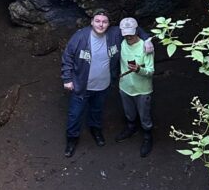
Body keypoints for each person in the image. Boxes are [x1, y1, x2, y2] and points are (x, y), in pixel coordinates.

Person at [61, 9, 152, 158]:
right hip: (82, 85)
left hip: (103, 85)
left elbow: (137, 29)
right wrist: (67, 79)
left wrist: (147, 39)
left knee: (97, 110)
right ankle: (72, 139)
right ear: (92, 22)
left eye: (104, 22)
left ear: (109, 24)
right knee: (75, 114)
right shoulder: (80, 36)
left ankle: (95, 130)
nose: (101, 24)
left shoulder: (114, 34)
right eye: (97, 21)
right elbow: (68, 57)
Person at [116, 16, 154, 157]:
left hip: (142, 89)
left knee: (144, 116)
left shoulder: (146, 47)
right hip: (125, 87)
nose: (128, 37)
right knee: (129, 112)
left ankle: (148, 136)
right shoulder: (121, 43)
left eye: (131, 33)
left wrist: (139, 69)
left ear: (137, 30)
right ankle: (131, 128)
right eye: (126, 34)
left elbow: (150, 71)